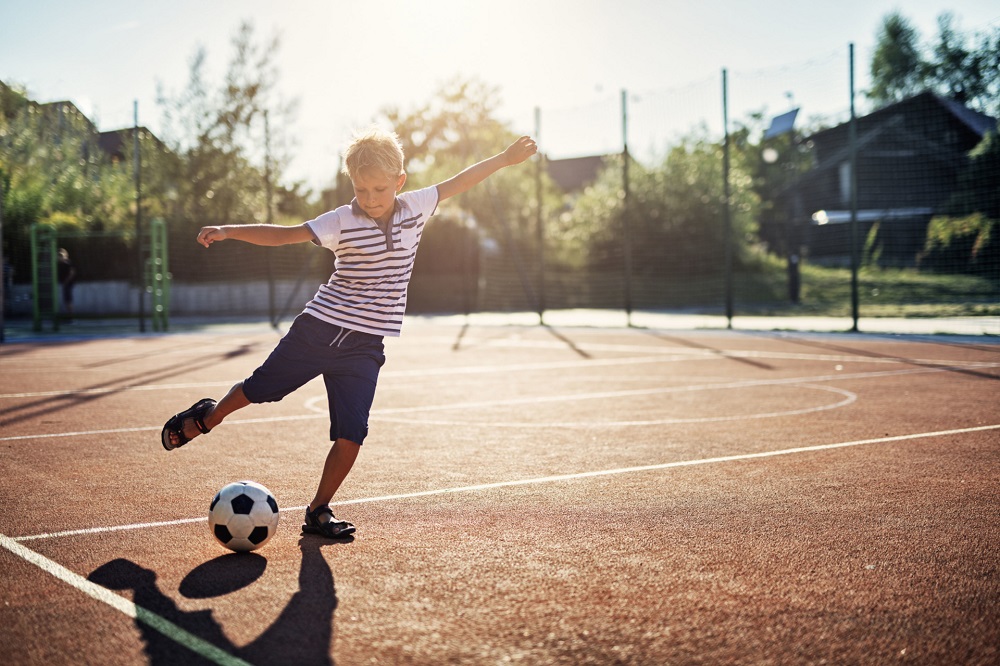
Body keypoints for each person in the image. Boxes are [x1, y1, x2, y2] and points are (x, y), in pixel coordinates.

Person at [161, 128, 537, 539]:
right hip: (319, 330)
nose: (371, 198)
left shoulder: (417, 206)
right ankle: (208, 416)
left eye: (379, 188)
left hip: (364, 345)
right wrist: (231, 230)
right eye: (361, 189)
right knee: (260, 389)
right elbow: (286, 234)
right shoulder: (341, 220)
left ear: (400, 182)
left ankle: (318, 509)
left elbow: (460, 181)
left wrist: (502, 158)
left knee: (352, 433)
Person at [57, 248, 76, 320]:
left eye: (60, 255)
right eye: (59, 255)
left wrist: (66, 281)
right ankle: (69, 316)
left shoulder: (68, 262)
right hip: (65, 284)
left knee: (68, 300)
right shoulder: (61, 264)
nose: (59, 257)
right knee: (67, 300)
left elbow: (72, 273)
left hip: (68, 284)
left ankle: (70, 317)